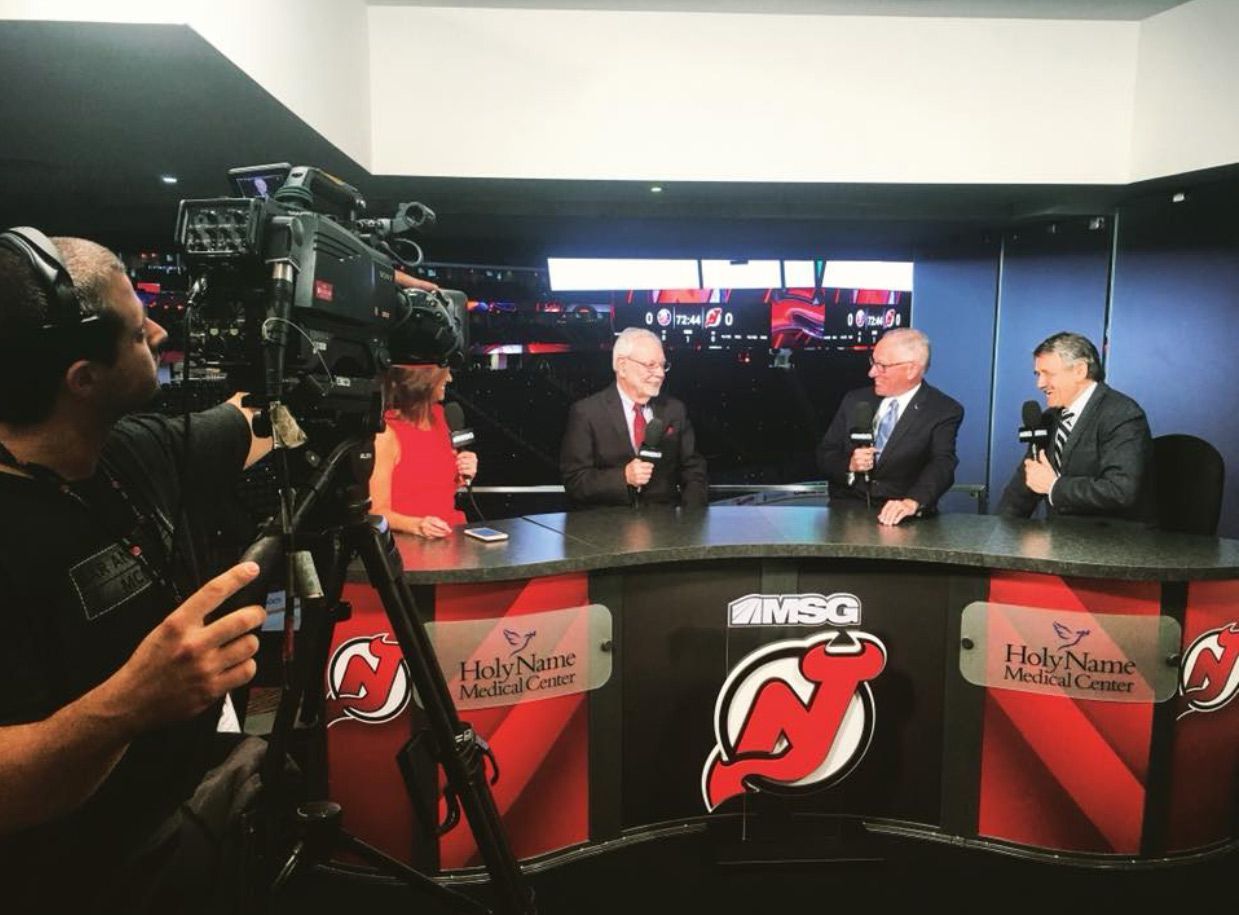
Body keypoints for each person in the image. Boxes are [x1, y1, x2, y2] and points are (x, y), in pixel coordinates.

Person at [0, 229, 272, 912]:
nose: (157, 327)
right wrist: (133, 700)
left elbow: (253, 420)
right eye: (136, 330)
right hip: (73, 880)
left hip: (184, 827)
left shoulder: (126, 451)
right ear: (83, 378)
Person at [998, 331, 1155, 523]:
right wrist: (998, 534)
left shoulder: (1122, 414)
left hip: (1109, 543)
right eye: (1038, 374)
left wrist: (1054, 487)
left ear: (1079, 370)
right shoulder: (1049, 417)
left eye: (1048, 374)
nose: (1040, 384)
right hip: (1057, 541)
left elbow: (1120, 490)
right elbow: (1022, 491)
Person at [816, 328, 963, 525]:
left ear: (911, 369)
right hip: (847, 516)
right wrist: (849, 465)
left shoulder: (943, 410)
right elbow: (826, 454)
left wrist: (911, 503)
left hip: (902, 520)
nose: (871, 372)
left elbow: (942, 464)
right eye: (873, 362)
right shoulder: (855, 400)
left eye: (882, 366)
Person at [560, 327, 708, 508]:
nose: (660, 374)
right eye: (651, 365)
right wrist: (624, 477)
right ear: (622, 366)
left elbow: (694, 472)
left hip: (666, 529)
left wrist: (689, 519)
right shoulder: (586, 413)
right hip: (605, 529)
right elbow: (575, 482)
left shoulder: (674, 410)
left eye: (663, 365)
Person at [371, 363, 478, 538]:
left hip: (452, 537)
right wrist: (416, 525)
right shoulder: (385, 434)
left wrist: (464, 472)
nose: (450, 378)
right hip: (409, 545)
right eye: (444, 373)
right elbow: (377, 511)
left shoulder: (441, 415)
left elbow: (435, 486)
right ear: (423, 379)